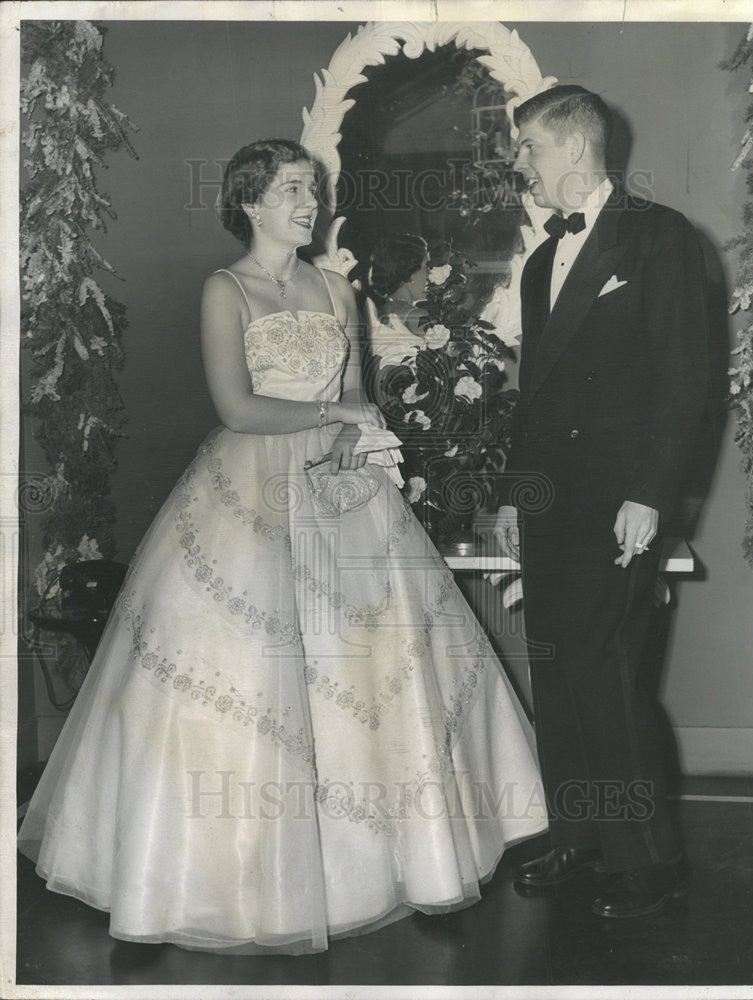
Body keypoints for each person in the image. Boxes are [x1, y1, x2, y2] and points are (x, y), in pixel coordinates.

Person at [19, 139, 546, 955]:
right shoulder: (223, 289)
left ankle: (387, 862)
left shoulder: (336, 287)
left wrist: (349, 440)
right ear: (251, 202)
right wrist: (338, 422)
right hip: (245, 491)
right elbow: (237, 408)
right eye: (296, 190)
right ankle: (216, 876)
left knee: (372, 670)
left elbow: (356, 396)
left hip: (342, 493)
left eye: (315, 189)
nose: (312, 203)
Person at [494, 86, 710, 918]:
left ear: (576, 149)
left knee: (610, 669)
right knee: (557, 667)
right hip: (554, 504)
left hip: (623, 504)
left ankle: (648, 859)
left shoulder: (659, 238)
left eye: (531, 149)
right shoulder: (546, 259)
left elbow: (686, 381)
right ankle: (579, 838)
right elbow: (536, 397)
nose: (521, 165)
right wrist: (517, 495)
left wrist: (650, 496)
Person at [364, 232, 429, 333]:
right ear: (411, 273)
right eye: (427, 267)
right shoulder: (416, 316)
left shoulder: (382, 308)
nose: (431, 273)